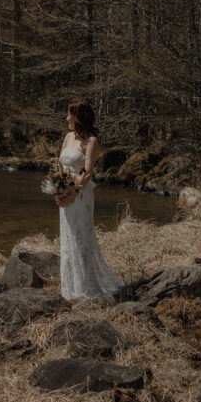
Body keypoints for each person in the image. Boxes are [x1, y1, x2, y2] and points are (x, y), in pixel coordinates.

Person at [56, 98, 123, 300]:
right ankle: (69, 287)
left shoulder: (91, 141)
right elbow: (58, 167)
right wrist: (57, 192)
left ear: (77, 117)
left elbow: (87, 173)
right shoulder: (68, 137)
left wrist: (71, 195)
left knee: (81, 237)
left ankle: (87, 286)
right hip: (65, 194)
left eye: (69, 114)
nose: (66, 117)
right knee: (67, 238)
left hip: (80, 195)